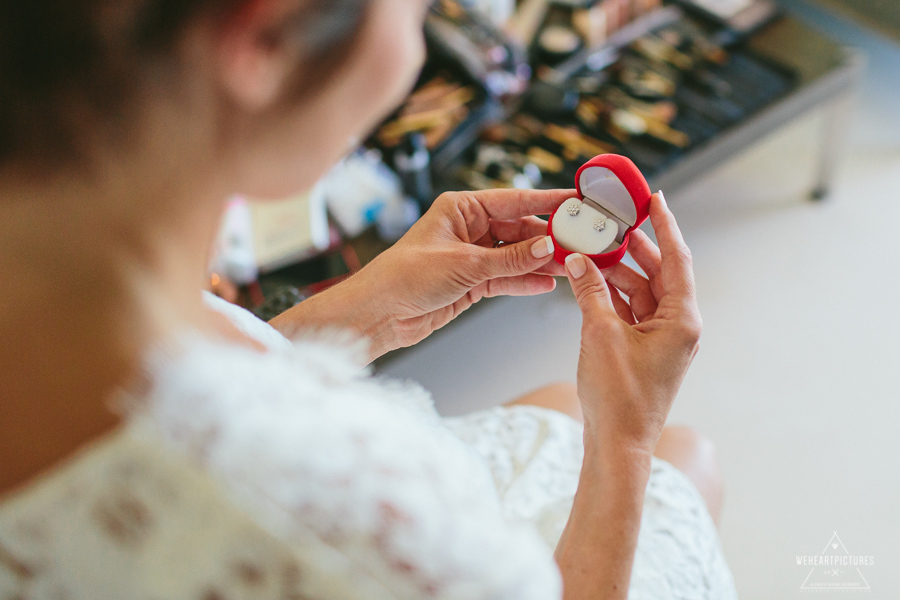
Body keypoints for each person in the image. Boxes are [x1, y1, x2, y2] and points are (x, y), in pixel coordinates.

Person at [0, 0, 737, 598]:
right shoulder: (335, 524)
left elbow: (151, 375)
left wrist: (355, 315)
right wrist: (629, 439)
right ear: (264, 39)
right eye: (419, 11)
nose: (420, 53)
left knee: (556, 403)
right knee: (686, 457)